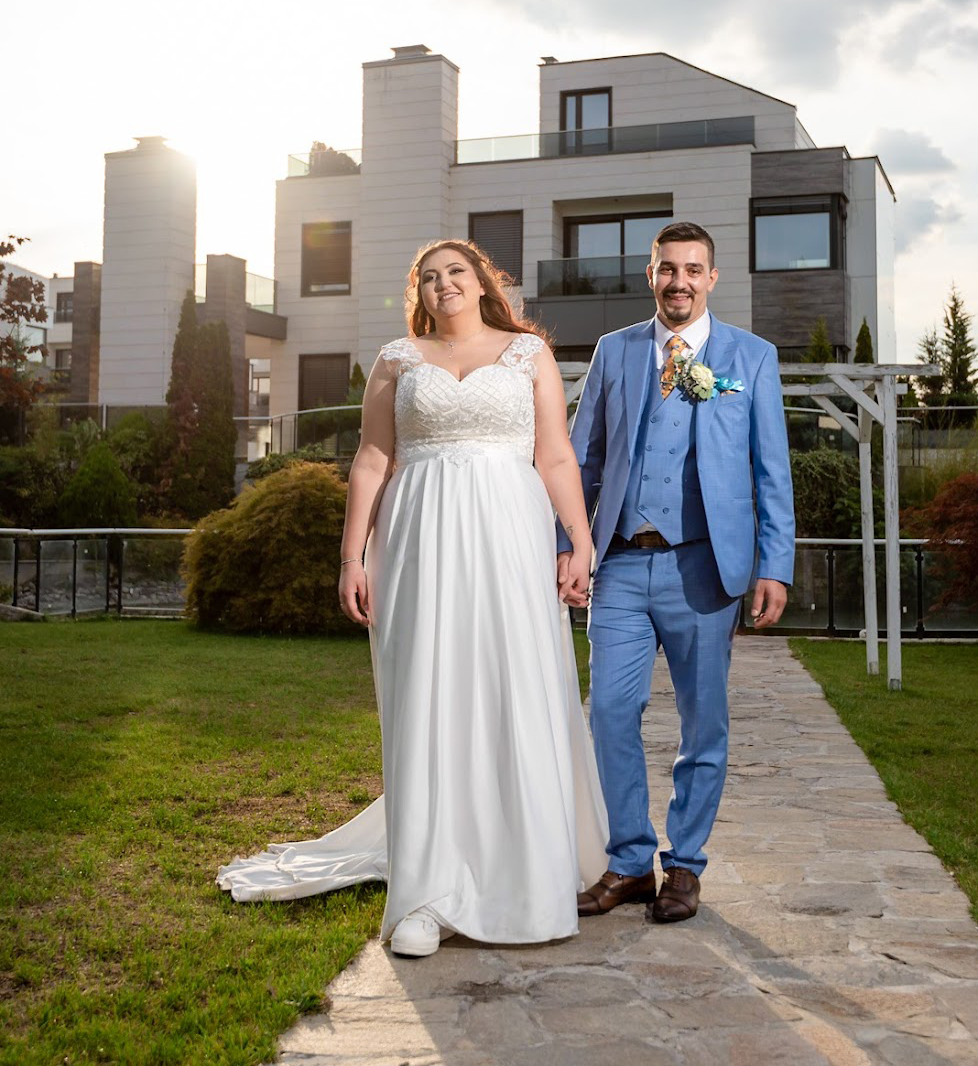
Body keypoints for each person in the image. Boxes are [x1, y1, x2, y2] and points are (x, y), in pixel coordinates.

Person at [218, 240, 608, 957]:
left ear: (482, 282)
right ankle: (426, 895)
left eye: (455, 271)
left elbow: (556, 455)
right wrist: (352, 557)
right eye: (429, 277)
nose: (443, 284)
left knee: (513, 687)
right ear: (419, 294)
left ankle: (528, 873)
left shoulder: (529, 354)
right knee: (427, 693)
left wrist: (579, 542)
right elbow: (372, 459)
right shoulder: (397, 359)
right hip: (416, 539)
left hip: (510, 538)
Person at [561, 221, 794, 925]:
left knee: (703, 723)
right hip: (622, 563)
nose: (679, 281)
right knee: (609, 712)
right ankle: (631, 862)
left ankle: (685, 864)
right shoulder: (615, 351)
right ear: (651, 274)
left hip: (705, 568)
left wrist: (775, 565)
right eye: (668, 268)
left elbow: (771, 472)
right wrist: (568, 545)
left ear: (712, 278)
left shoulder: (751, 357)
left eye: (693, 269)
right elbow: (582, 459)